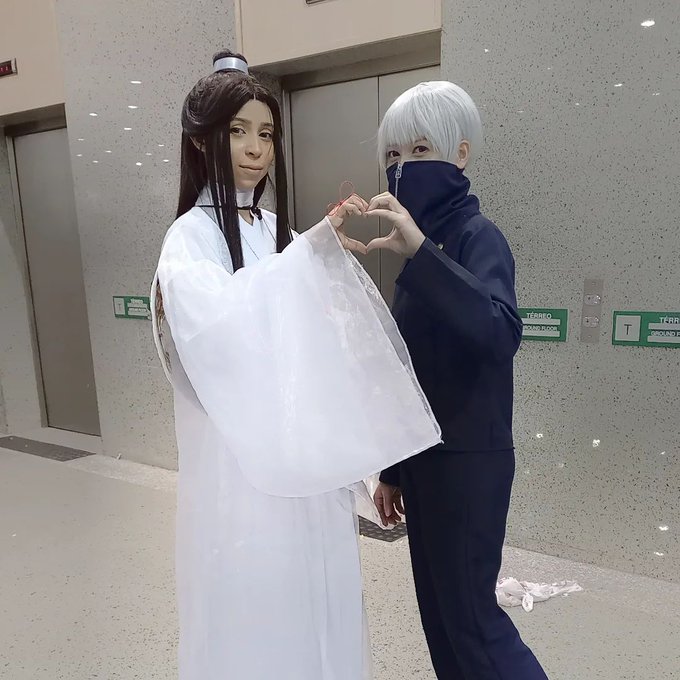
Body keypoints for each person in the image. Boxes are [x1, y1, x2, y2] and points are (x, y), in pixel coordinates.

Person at [149, 51, 441, 680]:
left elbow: (305, 325)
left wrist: (316, 261)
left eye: (266, 133)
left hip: (301, 447)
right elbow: (215, 327)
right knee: (260, 597)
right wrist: (305, 258)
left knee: (314, 589)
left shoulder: (269, 228)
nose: (256, 149)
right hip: (241, 463)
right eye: (237, 131)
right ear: (200, 141)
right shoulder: (190, 237)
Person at [366, 82, 549, 679]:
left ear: (460, 154)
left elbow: (499, 332)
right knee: (441, 618)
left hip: (469, 461)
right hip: (425, 461)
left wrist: (421, 253)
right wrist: (394, 469)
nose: (402, 168)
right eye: (393, 155)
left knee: (473, 621)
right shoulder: (420, 247)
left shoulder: (476, 237)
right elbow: (412, 368)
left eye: (420, 150)